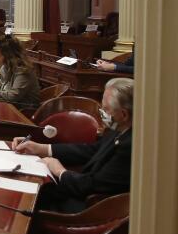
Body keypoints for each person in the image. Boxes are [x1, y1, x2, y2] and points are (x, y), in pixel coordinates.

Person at [13, 78, 133, 213]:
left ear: (123, 114)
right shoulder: (117, 128)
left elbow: (93, 185)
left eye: (105, 109)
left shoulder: (130, 147)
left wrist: (60, 171)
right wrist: (42, 148)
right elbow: (92, 151)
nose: (102, 114)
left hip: (91, 209)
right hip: (80, 190)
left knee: (28, 200)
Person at [0, 35, 41, 114]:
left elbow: (13, 96)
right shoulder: (5, 67)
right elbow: (3, 87)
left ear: (10, 57)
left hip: (22, 113)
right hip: (8, 107)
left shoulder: (23, 71)